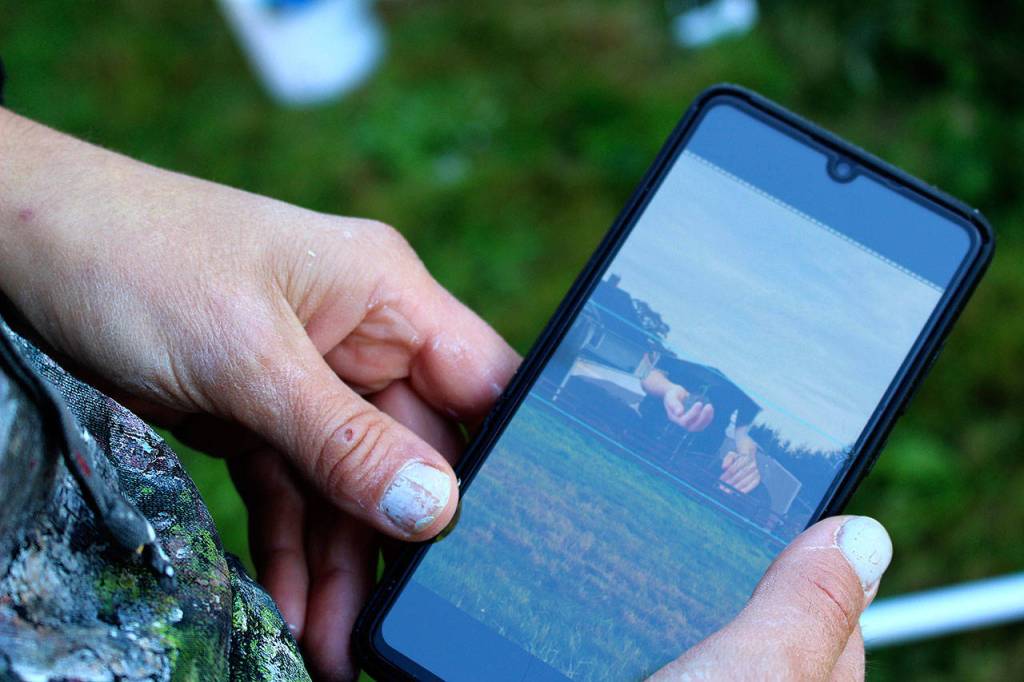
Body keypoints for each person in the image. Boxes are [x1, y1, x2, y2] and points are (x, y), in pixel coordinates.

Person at [0, 101, 892, 679]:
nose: (698, 409)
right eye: (693, 395)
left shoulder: (710, 434)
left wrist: (32, 191)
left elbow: (736, 438)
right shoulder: (632, 388)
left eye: (713, 413)